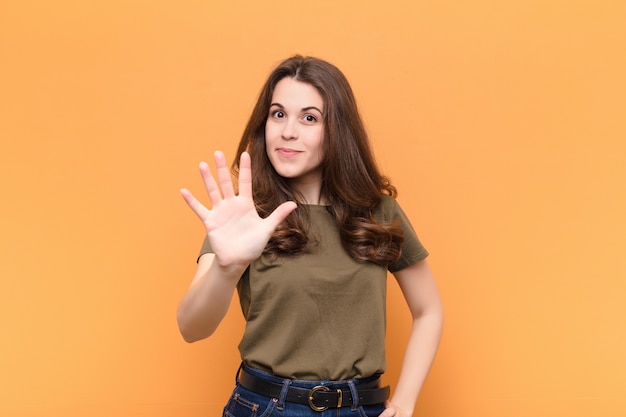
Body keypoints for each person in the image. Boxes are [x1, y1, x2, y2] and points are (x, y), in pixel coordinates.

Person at [177, 55, 443, 417]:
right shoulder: (244, 214)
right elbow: (192, 329)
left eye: (309, 118)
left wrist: (406, 401)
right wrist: (227, 267)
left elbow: (428, 310)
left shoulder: (378, 211)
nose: (288, 131)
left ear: (337, 130)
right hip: (266, 407)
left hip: (362, 407)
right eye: (278, 114)